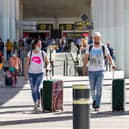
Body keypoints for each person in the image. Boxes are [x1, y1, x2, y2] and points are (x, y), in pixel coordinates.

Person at [83, 32, 116, 111]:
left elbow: (109, 57)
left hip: (100, 71)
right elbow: (86, 57)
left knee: (99, 88)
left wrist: (113, 64)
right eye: (95, 38)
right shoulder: (89, 47)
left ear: (100, 38)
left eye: (98, 38)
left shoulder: (103, 47)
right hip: (91, 71)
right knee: (92, 89)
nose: (96, 39)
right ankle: (94, 99)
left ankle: (97, 105)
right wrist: (84, 67)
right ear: (93, 38)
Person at [24, 39, 50, 111]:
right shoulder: (30, 53)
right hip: (31, 73)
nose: (40, 46)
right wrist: (25, 74)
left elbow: (48, 62)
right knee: (33, 89)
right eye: (38, 44)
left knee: (36, 88)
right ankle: (36, 101)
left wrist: (47, 67)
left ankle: (37, 102)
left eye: (40, 44)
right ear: (35, 45)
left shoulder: (43, 53)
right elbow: (26, 64)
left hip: (40, 73)